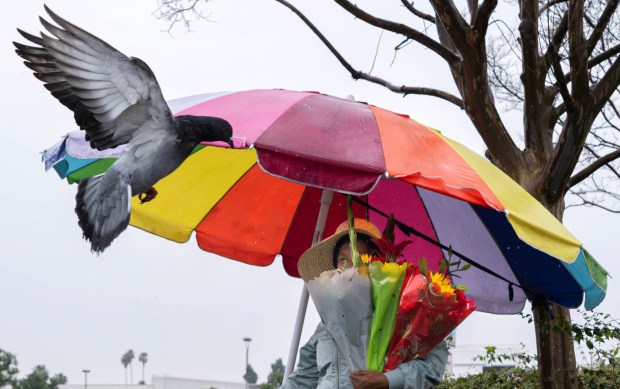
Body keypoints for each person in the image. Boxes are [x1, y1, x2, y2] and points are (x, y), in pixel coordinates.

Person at [282, 219, 449, 389]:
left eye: (361, 258)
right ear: (334, 267)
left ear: (378, 263)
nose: (352, 266)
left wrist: (387, 380)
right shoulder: (327, 325)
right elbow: (302, 379)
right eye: (342, 259)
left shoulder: (403, 313)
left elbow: (432, 367)